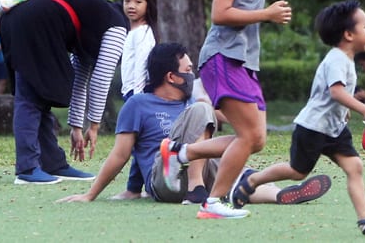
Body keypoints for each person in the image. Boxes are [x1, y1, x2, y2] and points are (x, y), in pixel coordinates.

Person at [162, 0, 365, 234]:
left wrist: (346, 109)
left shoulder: (346, 60)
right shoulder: (337, 58)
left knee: (354, 167)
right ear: (349, 34)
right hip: (313, 128)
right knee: (297, 171)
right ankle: (253, 181)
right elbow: (335, 91)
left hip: (334, 129)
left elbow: (335, 94)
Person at [56, 43, 331, 206]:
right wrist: (92, 195)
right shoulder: (138, 105)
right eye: (188, 71)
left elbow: (241, 133)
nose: (192, 75)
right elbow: (120, 155)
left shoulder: (193, 102)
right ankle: (195, 187)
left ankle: (282, 194)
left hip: (199, 170)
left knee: (235, 169)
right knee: (201, 108)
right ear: (171, 77)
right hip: (165, 180)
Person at [185, 0, 291, 217]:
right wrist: (267, 14)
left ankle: (182, 151)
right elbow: (219, 14)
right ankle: (213, 202)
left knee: (256, 138)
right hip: (222, 57)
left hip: (243, 61)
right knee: (250, 135)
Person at [0, 0, 128, 184]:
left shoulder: (93, 21)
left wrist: (76, 127)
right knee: (30, 97)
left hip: (15, 19)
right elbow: (100, 79)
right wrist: (93, 127)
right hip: (35, 21)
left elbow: (80, 76)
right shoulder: (118, 27)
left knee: (42, 94)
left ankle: (53, 164)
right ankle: (27, 168)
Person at [114, 0, 159, 200]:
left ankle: (135, 188)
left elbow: (142, 64)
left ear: (148, 5)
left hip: (137, 94)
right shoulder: (131, 31)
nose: (131, 5)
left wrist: (137, 97)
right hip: (131, 93)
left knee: (136, 143)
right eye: (128, 0)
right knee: (137, 143)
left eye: (138, 1)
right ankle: (135, 187)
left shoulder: (143, 32)